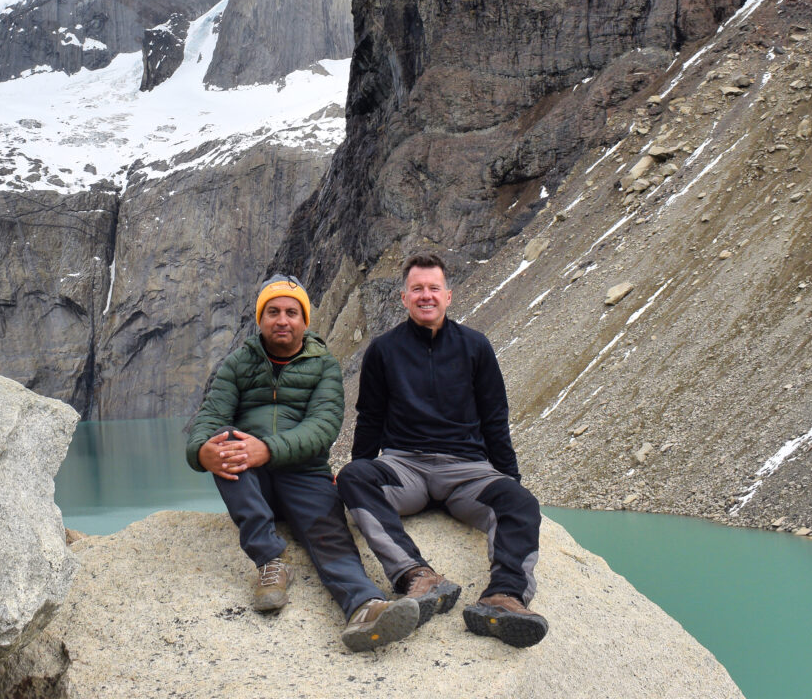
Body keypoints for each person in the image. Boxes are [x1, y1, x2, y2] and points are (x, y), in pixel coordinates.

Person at [186, 274, 421, 652]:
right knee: (226, 443)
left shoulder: (324, 366)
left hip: (305, 474)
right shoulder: (237, 365)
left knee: (328, 534)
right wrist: (201, 452)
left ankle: (364, 605)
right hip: (252, 480)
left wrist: (268, 448)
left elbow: (323, 426)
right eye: (273, 311)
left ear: (305, 321)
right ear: (260, 319)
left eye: (292, 312)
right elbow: (210, 420)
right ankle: (270, 561)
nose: (283, 319)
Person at [336, 252, 549, 647]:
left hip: (467, 469)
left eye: (434, 288)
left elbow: (495, 418)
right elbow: (369, 418)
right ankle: (419, 577)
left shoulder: (476, 347)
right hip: (404, 467)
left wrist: (509, 480)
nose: (426, 296)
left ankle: (504, 597)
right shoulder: (383, 351)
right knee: (354, 476)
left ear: (448, 296)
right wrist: (356, 473)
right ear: (404, 297)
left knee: (519, 501)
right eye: (417, 289)